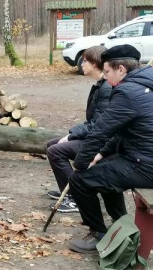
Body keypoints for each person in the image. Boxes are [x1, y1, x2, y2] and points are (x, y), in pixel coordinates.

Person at [68, 45, 153, 254]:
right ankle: (120, 224)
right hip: (142, 157)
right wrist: (101, 154)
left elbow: (100, 131)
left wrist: (80, 164)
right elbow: (122, 130)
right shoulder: (145, 84)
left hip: (145, 165)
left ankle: (98, 234)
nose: (105, 77)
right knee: (105, 170)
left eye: (107, 72)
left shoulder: (128, 92)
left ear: (121, 69)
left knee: (79, 181)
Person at [45, 46, 112, 213]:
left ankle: (75, 197)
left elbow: (97, 125)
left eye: (86, 60)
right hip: (95, 136)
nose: (82, 63)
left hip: (103, 143)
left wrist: (70, 136)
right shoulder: (100, 85)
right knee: (52, 145)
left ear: (96, 63)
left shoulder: (106, 88)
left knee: (56, 151)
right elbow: (92, 120)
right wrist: (71, 133)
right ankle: (67, 192)